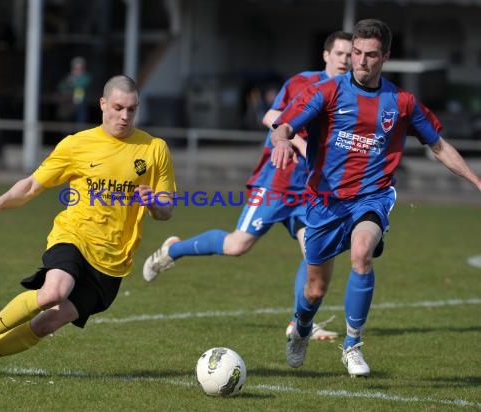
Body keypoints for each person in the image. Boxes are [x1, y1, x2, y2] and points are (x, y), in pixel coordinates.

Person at [270, 19, 481, 377]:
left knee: (362, 253)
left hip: (372, 195)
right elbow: (284, 124)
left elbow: (439, 146)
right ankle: (301, 328)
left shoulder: (401, 102)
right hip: (325, 200)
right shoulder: (328, 92)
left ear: (385, 56)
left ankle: (352, 346)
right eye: (356, 53)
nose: (361, 61)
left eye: (370, 55)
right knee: (315, 288)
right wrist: (282, 141)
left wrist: (477, 181)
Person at [0, 75, 177, 379]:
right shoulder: (77, 145)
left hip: (112, 261)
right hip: (74, 235)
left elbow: (166, 211)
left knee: (47, 323)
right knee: (52, 292)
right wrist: (0, 201)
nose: (124, 116)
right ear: (103, 104)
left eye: (131, 109)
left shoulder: (154, 149)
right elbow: (31, 185)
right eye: (118, 107)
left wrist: (153, 203)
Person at [143, 31, 353, 341]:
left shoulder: (352, 96)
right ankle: (173, 249)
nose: (346, 61)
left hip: (312, 190)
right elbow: (270, 116)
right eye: (341, 54)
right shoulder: (302, 83)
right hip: (276, 183)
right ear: (326, 56)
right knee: (237, 246)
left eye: (351, 55)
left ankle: (299, 324)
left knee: (314, 256)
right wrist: (298, 142)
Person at [57, 56, 93, 124]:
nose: (78, 70)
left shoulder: (86, 77)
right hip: (68, 103)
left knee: (80, 120)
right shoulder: (69, 77)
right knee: (67, 120)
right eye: (76, 68)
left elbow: (83, 85)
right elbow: (61, 87)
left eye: (80, 68)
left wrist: (71, 83)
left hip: (81, 102)